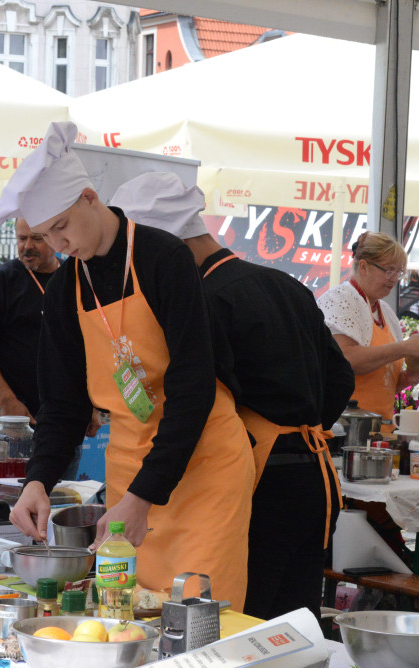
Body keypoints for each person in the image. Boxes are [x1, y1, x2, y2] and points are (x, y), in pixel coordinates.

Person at [0, 122, 255, 610]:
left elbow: (194, 387)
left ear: (90, 198)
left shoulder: (164, 258)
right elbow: (62, 404)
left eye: (62, 227)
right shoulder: (65, 288)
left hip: (203, 465)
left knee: (198, 615)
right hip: (130, 466)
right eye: (44, 234)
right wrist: (38, 479)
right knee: (130, 610)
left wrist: (145, 495)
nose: (57, 245)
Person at [111, 172, 355, 619]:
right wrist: (299, 425)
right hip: (314, 477)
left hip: (256, 479)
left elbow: (194, 399)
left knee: (250, 622)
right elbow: (340, 378)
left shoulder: (202, 300)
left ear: (167, 248)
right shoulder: (286, 284)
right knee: (298, 621)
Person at [319, 232, 419, 426]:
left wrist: (407, 377)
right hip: (343, 426)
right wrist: (405, 348)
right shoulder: (339, 300)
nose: (394, 279)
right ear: (364, 266)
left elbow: (382, 383)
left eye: (399, 272)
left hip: (380, 426)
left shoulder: (386, 312)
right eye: (389, 270)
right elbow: (347, 360)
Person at [0, 217, 60, 425]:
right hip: (15, 408)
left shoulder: (73, 277)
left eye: (36, 239)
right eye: (22, 238)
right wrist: (7, 400)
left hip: (64, 409)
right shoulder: (2, 280)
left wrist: (91, 405)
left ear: (55, 237)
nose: (27, 247)